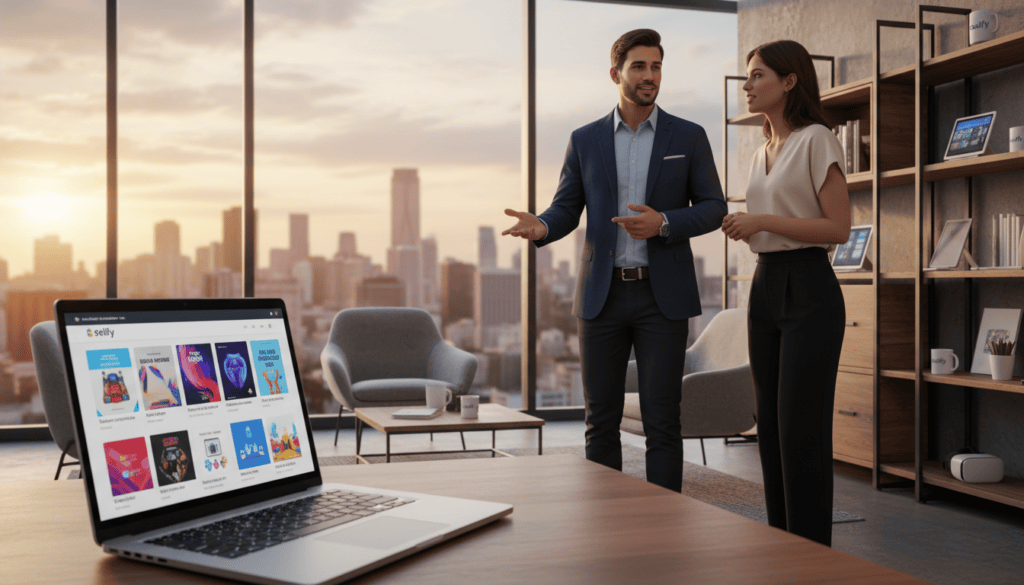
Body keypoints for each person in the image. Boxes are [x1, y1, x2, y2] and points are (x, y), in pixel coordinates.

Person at [503, 29, 726, 492]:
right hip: (600, 297)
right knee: (599, 421)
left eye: (656, 66)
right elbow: (567, 208)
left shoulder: (689, 135)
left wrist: (664, 222)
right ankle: (606, 519)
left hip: (662, 298)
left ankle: (664, 519)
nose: (650, 76)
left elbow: (713, 207)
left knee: (663, 421)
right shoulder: (585, 140)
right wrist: (542, 226)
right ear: (615, 74)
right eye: (639, 66)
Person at [721, 39, 851, 546]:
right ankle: (782, 545)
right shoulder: (761, 151)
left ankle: (813, 552)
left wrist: (761, 221)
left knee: (801, 426)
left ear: (789, 81)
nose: (748, 86)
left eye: (758, 75)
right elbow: (772, 224)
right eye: (748, 76)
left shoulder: (818, 139)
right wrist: (747, 226)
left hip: (809, 287)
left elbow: (838, 228)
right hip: (766, 283)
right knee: (771, 426)